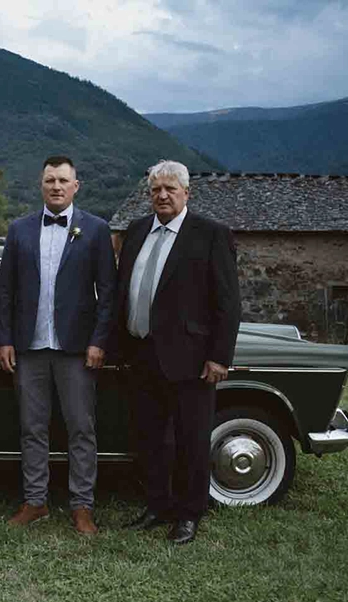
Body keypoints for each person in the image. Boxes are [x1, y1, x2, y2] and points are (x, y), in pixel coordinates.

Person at [112, 160, 241, 545]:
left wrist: (219, 357)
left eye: (170, 189)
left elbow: (228, 302)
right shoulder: (137, 230)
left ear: (187, 192)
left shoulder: (210, 234)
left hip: (191, 359)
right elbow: (123, 290)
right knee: (149, 438)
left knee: (191, 440)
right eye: (156, 190)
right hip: (140, 354)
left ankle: (188, 514)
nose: (163, 195)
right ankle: (157, 505)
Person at [0, 156, 117, 535]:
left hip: (76, 349)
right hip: (29, 346)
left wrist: (99, 341)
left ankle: (82, 506)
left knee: (81, 428)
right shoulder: (19, 229)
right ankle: (36, 501)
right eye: (50, 180)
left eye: (63, 180)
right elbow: (5, 291)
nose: (56, 186)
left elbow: (108, 293)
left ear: (76, 186)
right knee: (32, 427)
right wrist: (4, 340)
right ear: (41, 185)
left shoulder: (95, 230)